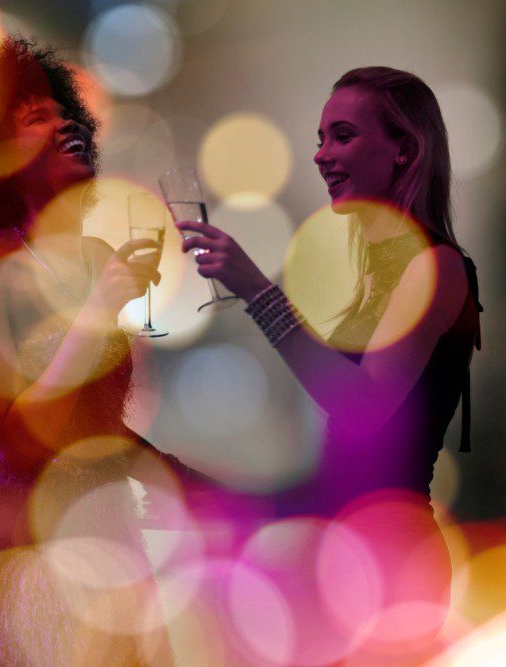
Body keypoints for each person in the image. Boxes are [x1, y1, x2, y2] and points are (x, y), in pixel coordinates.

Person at [178, 67, 481, 659]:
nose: (321, 155)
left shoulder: (438, 266)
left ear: (404, 150)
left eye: (342, 135)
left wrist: (259, 293)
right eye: (320, 137)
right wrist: (203, 484)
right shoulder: (375, 273)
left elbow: (365, 410)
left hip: (393, 560)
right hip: (349, 550)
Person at [0, 36, 179, 665]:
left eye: (65, 112)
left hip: (113, 547)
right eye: (38, 117)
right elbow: (20, 438)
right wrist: (95, 311)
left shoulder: (91, 261)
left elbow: (93, 430)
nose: (64, 123)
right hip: (27, 558)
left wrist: (179, 477)